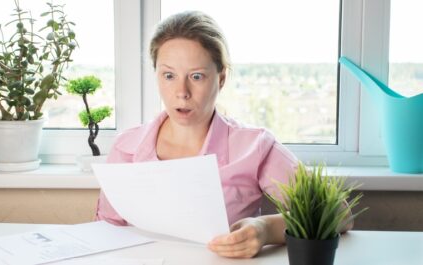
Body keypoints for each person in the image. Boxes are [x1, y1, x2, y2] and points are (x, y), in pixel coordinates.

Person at [95, 11, 352, 258]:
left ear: (221, 79)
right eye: (169, 75)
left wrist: (265, 229)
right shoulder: (126, 148)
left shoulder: (253, 146)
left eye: (196, 76)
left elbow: (340, 214)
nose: (181, 91)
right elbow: (104, 233)